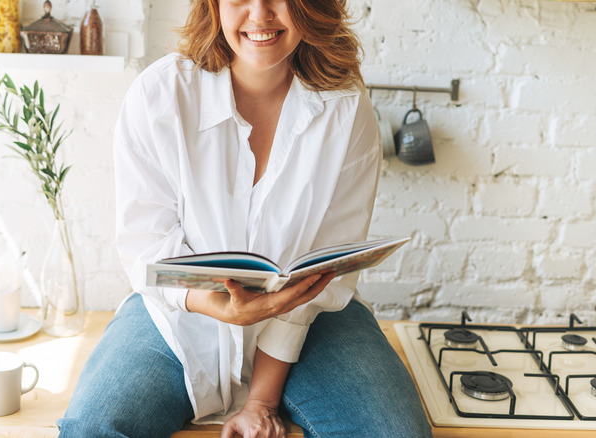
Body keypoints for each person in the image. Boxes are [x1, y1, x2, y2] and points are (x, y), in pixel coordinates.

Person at [58, 0, 432, 437]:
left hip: (310, 310)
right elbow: (147, 244)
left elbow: (328, 266)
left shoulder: (346, 107)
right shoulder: (159, 95)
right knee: (91, 428)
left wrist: (261, 401)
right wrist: (216, 305)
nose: (260, 14)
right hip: (178, 314)